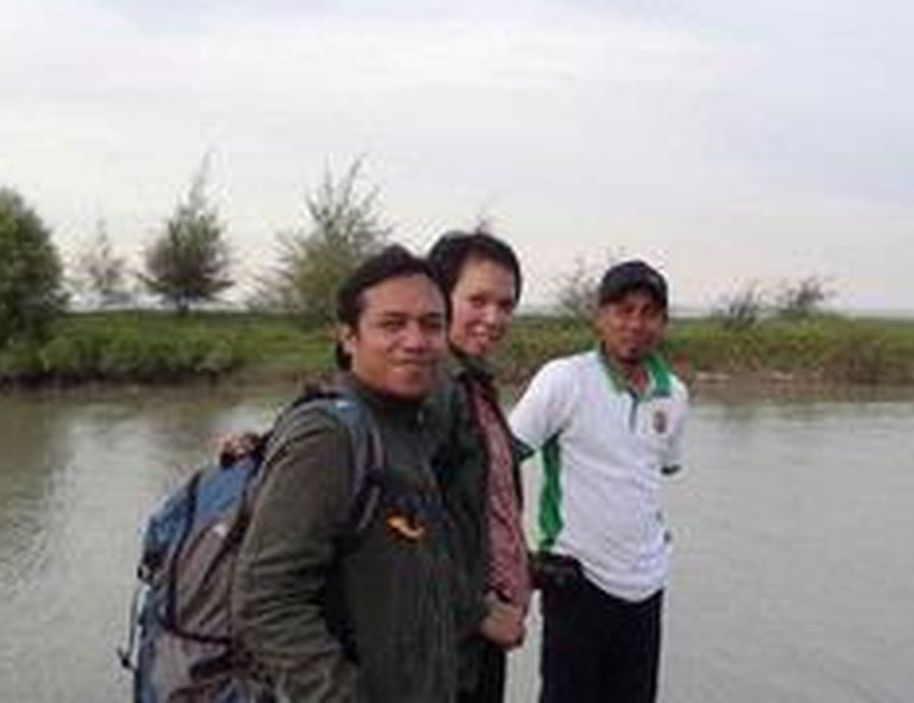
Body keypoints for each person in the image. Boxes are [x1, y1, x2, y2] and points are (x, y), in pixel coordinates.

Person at [231, 245, 459, 702]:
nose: (415, 340)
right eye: (392, 324)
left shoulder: (410, 424)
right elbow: (265, 600)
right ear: (349, 337)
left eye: (431, 324)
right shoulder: (328, 438)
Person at [509, 259, 689, 703]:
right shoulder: (564, 379)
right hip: (577, 578)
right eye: (623, 309)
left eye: (649, 312)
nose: (635, 323)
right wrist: (511, 553)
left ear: (663, 322)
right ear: (599, 315)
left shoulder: (675, 394)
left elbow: (652, 473)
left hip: (647, 580)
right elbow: (501, 459)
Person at [426, 230, 530, 703]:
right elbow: (397, 531)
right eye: (478, 300)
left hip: (476, 638)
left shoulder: (472, 384)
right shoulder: (429, 389)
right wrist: (481, 610)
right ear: (439, 297)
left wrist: (529, 568)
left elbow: (473, 507)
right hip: (444, 642)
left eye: (506, 305)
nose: (493, 318)